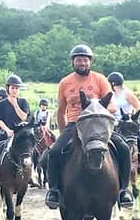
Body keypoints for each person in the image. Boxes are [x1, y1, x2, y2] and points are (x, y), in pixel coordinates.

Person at [45, 44, 133, 209]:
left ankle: (123, 190)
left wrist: (95, 108)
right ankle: (54, 190)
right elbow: (61, 111)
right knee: (55, 151)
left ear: (90, 62)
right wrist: (64, 133)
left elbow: (112, 105)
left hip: (99, 124)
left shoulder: (100, 79)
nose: (82, 63)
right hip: (75, 124)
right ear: (73, 62)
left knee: (123, 148)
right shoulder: (65, 83)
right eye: (79, 60)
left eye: (85, 60)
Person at [0, 74, 30, 182]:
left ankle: (31, 175)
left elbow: (23, 117)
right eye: (13, 88)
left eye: (17, 88)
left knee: (33, 149)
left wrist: (15, 104)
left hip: (21, 133)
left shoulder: (23, 102)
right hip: (6, 132)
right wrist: (7, 130)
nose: (15, 90)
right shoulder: (1, 104)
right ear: (8, 88)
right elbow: (0, 120)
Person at [107, 71, 140, 175]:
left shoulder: (126, 93)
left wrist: (133, 118)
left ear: (112, 83)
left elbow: (138, 106)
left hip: (126, 123)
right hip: (113, 123)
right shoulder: (110, 95)